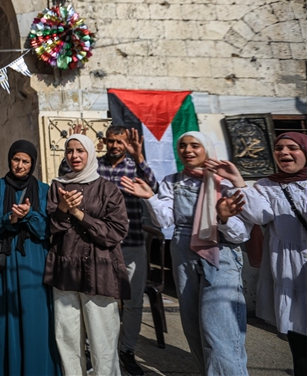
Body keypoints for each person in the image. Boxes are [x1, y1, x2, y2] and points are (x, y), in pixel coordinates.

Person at [121, 131, 251, 375]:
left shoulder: (225, 182)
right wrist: (150, 197)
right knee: (192, 326)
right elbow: (165, 220)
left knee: (219, 329)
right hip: (183, 254)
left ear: (207, 148)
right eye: (182, 146)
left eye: (194, 145)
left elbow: (241, 234)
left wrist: (222, 217)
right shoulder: (173, 180)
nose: (188, 151)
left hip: (220, 254)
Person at [209, 132, 307, 375]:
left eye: (292, 147)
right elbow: (259, 215)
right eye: (279, 148)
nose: (284, 152)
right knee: (299, 339)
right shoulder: (267, 185)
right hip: (289, 268)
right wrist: (237, 180)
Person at [0, 140, 61, 376]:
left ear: (32, 164)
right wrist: (10, 219)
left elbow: (47, 229)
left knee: (35, 319)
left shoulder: (43, 190)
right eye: (16, 159)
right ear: (10, 159)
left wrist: (29, 215)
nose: (20, 165)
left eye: (26, 161)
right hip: (4, 262)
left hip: (34, 261)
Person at [45, 134, 129, 376]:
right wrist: (62, 209)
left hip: (99, 272)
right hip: (64, 271)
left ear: (90, 153)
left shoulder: (108, 189)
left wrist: (80, 215)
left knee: (102, 339)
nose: (74, 156)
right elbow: (49, 228)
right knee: (68, 338)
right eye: (69, 151)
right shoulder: (57, 187)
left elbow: (116, 231)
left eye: (80, 150)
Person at [96, 126, 158, 376]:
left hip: (132, 244)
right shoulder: (95, 165)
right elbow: (68, 174)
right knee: (103, 300)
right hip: (100, 246)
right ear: (104, 142)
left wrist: (140, 157)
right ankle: (102, 350)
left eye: (119, 142)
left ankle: (127, 351)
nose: (115, 146)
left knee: (132, 303)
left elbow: (154, 189)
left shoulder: (135, 166)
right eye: (111, 141)